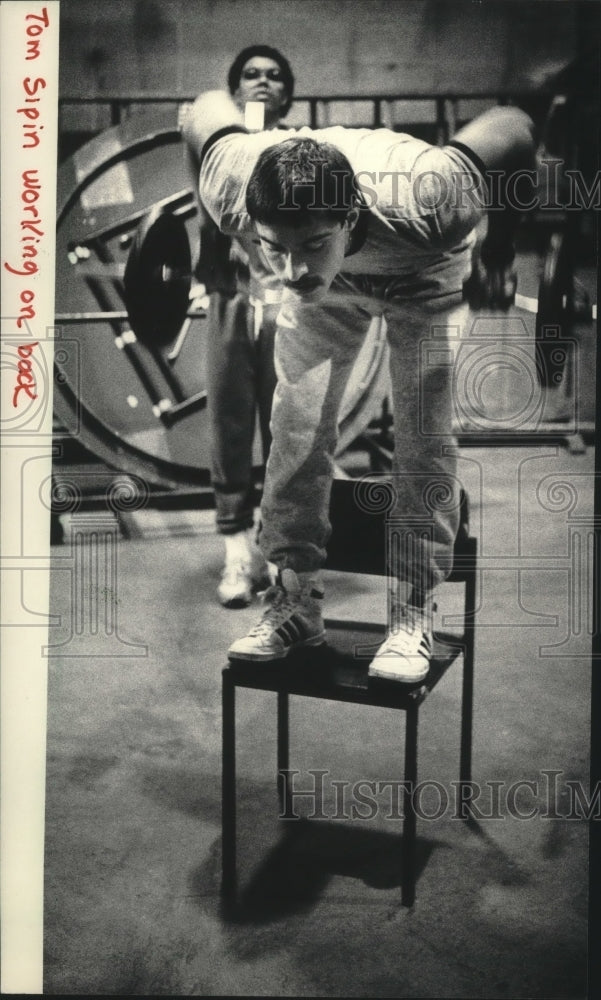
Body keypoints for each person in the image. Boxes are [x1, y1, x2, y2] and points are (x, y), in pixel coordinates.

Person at [182, 89, 535, 682]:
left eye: (311, 244)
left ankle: (411, 614)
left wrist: (499, 251)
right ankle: (296, 602)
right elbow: (202, 109)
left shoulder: (434, 198)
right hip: (334, 290)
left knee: (423, 436)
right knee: (295, 425)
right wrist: (212, 239)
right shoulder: (232, 189)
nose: (290, 270)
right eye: (275, 249)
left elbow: (515, 124)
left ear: (348, 219)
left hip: (425, 273)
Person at [185, 47, 294, 607]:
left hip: (286, 304)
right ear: (234, 89)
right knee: (229, 426)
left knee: (284, 432)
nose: (263, 83)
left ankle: (278, 552)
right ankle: (236, 554)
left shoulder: (302, 149)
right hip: (231, 298)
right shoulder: (213, 144)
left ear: (288, 93)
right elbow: (204, 183)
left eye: (274, 77)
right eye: (251, 75)